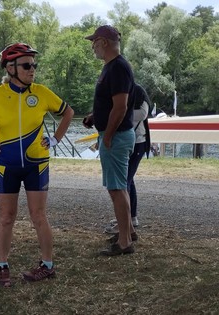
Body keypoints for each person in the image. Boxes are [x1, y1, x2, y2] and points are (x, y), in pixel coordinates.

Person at [0, 43, 74, 287]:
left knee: (39, 216)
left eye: (34, 64)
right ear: (10, 68)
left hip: (37, 165)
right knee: (5, 218)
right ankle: (2, 265)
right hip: (6, 165)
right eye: (26, 65)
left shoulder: (42, 92)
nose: (32, 69)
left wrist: (55, 139)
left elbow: (68, 113)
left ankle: (48, 265)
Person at [84, 25, 136, 256]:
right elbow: (111, 103)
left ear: (104, 42)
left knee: (117, 189)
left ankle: (124, 243)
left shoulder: (118, 68)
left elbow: (121, 106)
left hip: (116, 136)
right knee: (118, 187)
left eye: (94, 42)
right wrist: (95, 117)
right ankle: (129, 231)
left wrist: (109, 135)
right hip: (112, 133)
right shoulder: (111, 68)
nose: (92, 46)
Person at [104, 83, 151, 237]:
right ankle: (131, 218)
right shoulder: (120, 91)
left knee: (124, 182)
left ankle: (126, 222)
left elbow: (142, 114)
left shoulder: (138, 92)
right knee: (128, 181)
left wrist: (119, 112)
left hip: (138, 143)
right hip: (128, 141)